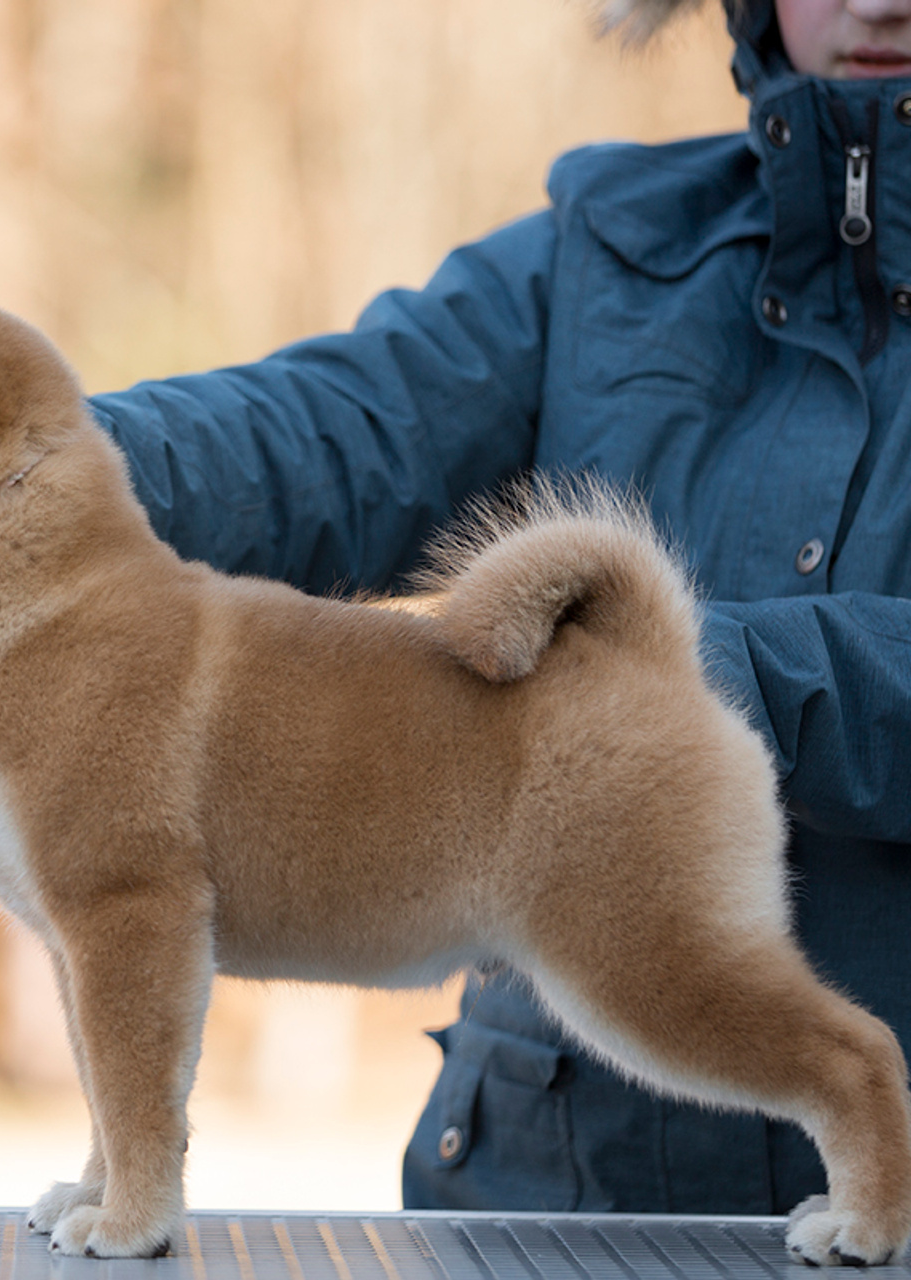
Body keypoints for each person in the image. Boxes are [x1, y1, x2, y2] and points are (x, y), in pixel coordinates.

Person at [83, 0, 911, 1214]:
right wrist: (35, 453)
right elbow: (333, 435)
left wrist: (670, 702)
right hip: (550, 1184)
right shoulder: (605, 249)